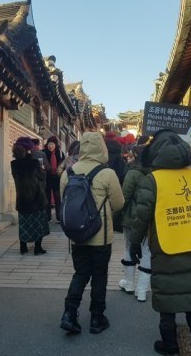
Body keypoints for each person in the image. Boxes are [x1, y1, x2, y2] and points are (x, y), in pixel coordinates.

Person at [130, 129, 191, 354]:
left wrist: (135, 244)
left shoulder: (153, 179)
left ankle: (170, 344)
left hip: (165, 244)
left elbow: (141, 217)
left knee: (167, 293)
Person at [59, 132, 124, 335]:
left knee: (80, 273)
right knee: (99, 275)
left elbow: (65, 202)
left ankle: (69, 313)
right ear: (101, 148)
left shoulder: (68, 173)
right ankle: (97, 318)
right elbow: (119, 203)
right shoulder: (107, 173)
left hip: (77, 235)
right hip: (101, 236)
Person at [119, 136, 151, 301]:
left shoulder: (133, 173)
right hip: (150, 218)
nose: (129, 158)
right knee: (147, 251)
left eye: (131, 155)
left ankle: (130, 284)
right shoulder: (155, 173)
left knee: (129, 247)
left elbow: (123, 196)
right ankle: (142, 291)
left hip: (132, 218)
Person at [11, 137, 50, 255]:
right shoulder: (34, 163)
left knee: (24, 224)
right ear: (28, 149)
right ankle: (38, 248)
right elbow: (42, 177)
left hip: (22, 198)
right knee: (38, 223)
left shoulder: (13, 164)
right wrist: (42, 171)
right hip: (36, 198)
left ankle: (23, 248)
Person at [43, 136, 65, 222]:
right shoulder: (44, 153)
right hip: (47, 178)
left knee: (57, 198)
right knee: (47, 198)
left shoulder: (60, 153)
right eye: (49, 144)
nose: (50, 146)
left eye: (52, 144)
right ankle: (48, 217)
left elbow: (63, 165)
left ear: (55, 145)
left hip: (57, 178)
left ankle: (59, 217)